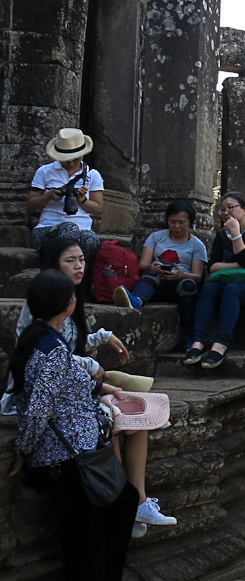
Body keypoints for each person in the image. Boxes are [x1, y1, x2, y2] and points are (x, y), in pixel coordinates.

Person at [3, 237, 175, 530]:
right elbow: (50, 361)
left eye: (82, 259)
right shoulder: (43, 305)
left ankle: (137, 500)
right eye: (70, 260)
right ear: (53, 266)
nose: (79, 265)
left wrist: (103, 338)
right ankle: (120, 500)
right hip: (59, 403)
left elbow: (73, 344)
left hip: (72, 387)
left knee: (137, 409)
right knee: (112, 417)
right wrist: (93, 374)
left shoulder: (70, 299)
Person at [7, 270, 138, 580]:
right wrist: (23, 451)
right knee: (85, 542)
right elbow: (39, 406)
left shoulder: (44, 338)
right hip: (66, 459)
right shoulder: (49, 349)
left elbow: (61, 386)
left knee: (123, 504)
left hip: (75, 452)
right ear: (66, 304)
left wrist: (102, 389)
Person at [185, 191, 245, 369]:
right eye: (222, 209)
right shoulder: (221, 235)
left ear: (244, 209)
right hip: (229, 280)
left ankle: (221, 343)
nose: (226, 212)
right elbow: (212, 267)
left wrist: (235, 234)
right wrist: (239, 266)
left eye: (231, 208)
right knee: (209, 288)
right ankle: (197, 341)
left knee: (231, 290)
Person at [114, 200, 207, 347]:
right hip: (157, 282)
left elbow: (197, 276)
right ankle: (137, 301)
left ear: (190, 222)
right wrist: (152, 266)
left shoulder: (197, 245)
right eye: (172, 222)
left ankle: (189, 335)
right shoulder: (156, 237)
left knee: (188, 285)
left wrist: (181, 274)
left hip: (180, 284)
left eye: (181, 222)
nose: (176, 226)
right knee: (151, 274)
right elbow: (143, 265)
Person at [27, 128, 103, 263]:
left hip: (83, 229)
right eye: (66, 159)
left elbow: (98, 210)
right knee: (69, 228)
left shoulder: (92, 175)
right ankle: (63, 279)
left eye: (75, 159)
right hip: (47, 229)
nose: (71, 163)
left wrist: (82, 200)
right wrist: (48, 196)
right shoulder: (44, 172)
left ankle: (80, 281)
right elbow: (31, 205)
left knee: (90, 240)